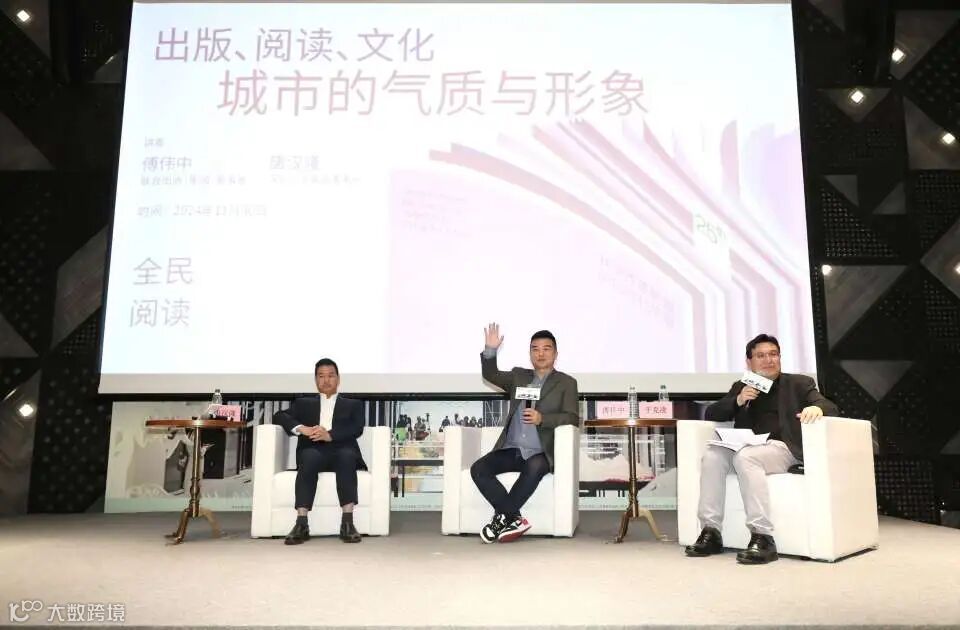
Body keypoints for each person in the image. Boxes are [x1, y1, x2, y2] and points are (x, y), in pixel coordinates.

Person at [685, 334, 839, 564]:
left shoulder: (798, 383)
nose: (768, 360)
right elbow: (712, 413)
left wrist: (817, 409)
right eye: (761, 356)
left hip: (781, 447)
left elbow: (828, 405)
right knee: (712, 456)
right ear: (750, 362)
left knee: (747, 458)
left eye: (773, 354)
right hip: (744, 444)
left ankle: (762, 537)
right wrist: (738, 400)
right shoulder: (742, 386)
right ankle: (711, 531)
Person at [471, 323, 580, 543]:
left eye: (546, 349)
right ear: (530, 353)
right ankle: (514, 518)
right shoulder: (518, 376)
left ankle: (501, 519)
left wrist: (543, 419)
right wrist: (490, 350)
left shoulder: (566, 383)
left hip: (541, 452)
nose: (540, 354)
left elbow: (572, 418)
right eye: (535, 349)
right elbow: (491, 374)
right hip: (512, 449)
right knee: (479, 468)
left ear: (555, 353)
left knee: (535, 466)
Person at [273, 358, 366, 544]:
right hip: (313, 449)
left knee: (347, 457)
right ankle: (301, 523)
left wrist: (330, 435)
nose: (326, 380)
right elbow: (279, 416)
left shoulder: (353, 404)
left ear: (338, 379)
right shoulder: (303, 403)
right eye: (321, 376)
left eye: (331, 376)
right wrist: (302, 428)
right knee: (308, 457)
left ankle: (347, 523)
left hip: (341, 448)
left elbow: (357, 428)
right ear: (316, 380)